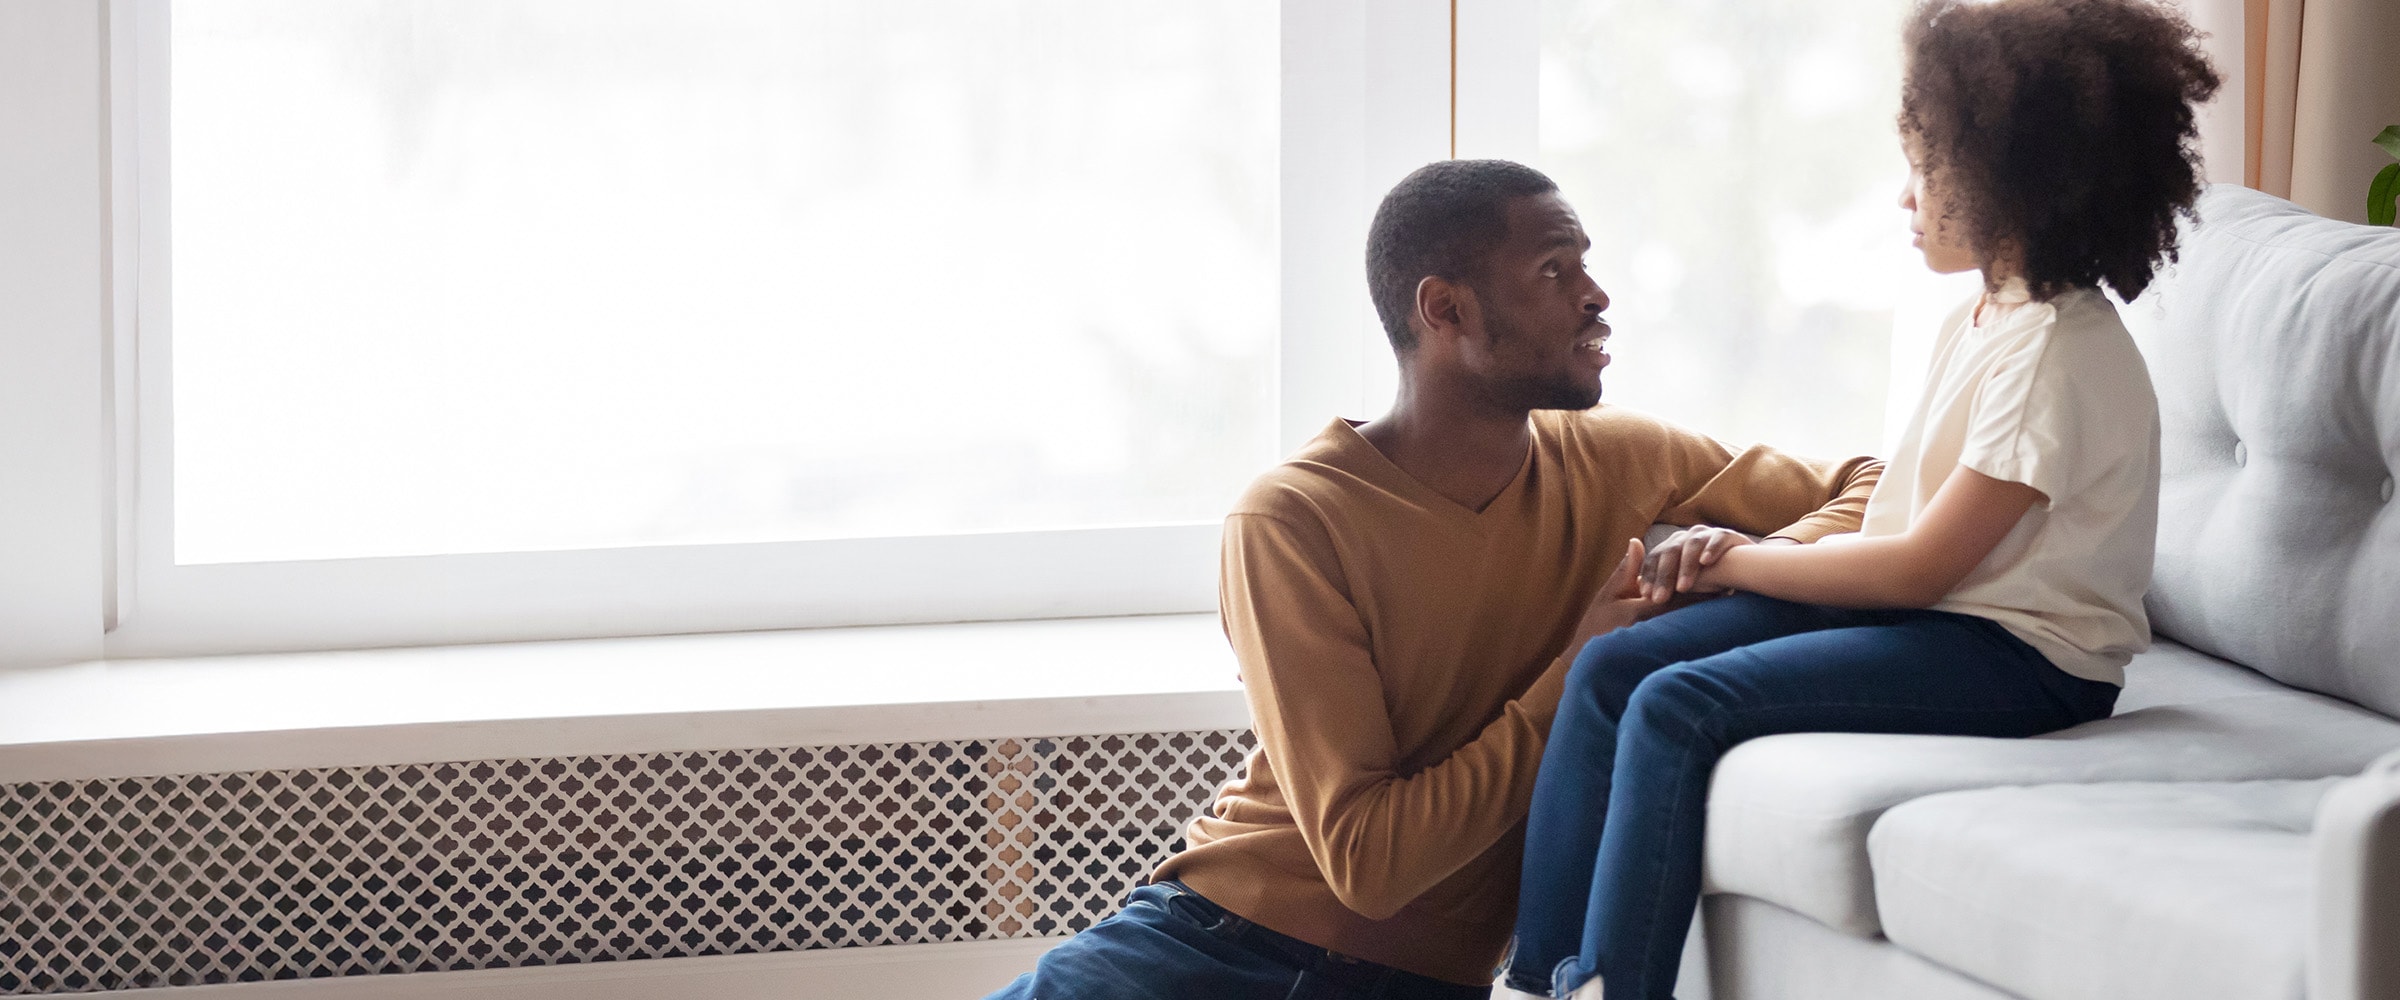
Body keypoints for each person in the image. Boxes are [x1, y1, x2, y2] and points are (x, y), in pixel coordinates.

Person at [983, 158, 1882, 1000]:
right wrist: (1579, 666)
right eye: (1553, 271)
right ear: (1445, 310)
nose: (1597, 296)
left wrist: (1730, 561)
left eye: (1586, 266)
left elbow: (1874, 485)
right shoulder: (1295, 520)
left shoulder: (1627, 458)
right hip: (1219, 953)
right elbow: (1370, 863)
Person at [1500, 2, 2225, 998]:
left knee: (1678, 704)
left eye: (1929, 168)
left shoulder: (2056, 351)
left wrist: (1731, 553)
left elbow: (1923, 564)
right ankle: (1537, 980)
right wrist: (1734, 563)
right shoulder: (1986, 315)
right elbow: (1906, 559)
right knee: (1616, 665)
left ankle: (1615, 986)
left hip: (2026, 656)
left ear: (2015, 182)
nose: (1907, 195)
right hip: (1938, 618)